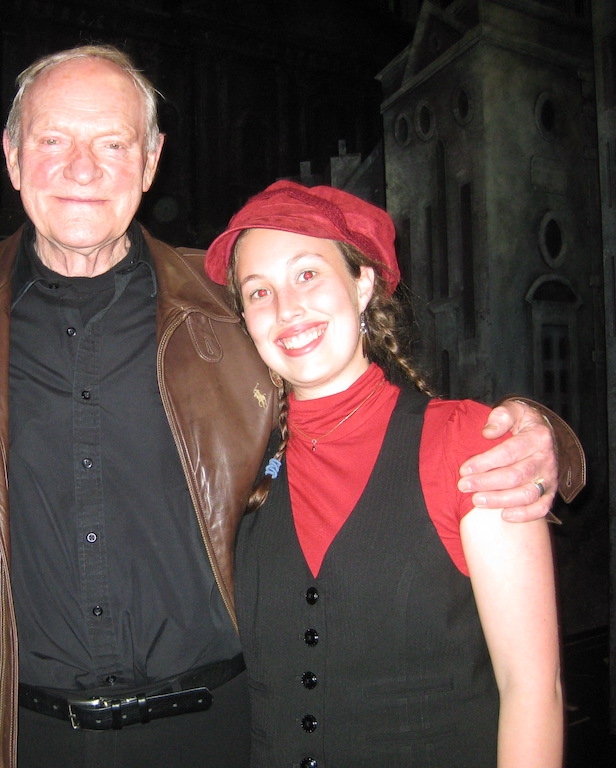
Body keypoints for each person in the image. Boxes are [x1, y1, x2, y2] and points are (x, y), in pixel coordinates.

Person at [0, 46, 580, 768]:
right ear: (12, 157)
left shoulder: (226, 312)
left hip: (221, 735)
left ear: (150, 161)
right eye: (53, 141)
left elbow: (363, 405)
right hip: (17, 738)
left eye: (112, 143)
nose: (83, 168)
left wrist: (544, 438)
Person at [203, 179, 565, 767]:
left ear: (363, 282)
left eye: (308, 274)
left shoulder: (470, 443)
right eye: (259, 292)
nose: (286, 308)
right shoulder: (237, 462)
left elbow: (532, 691)